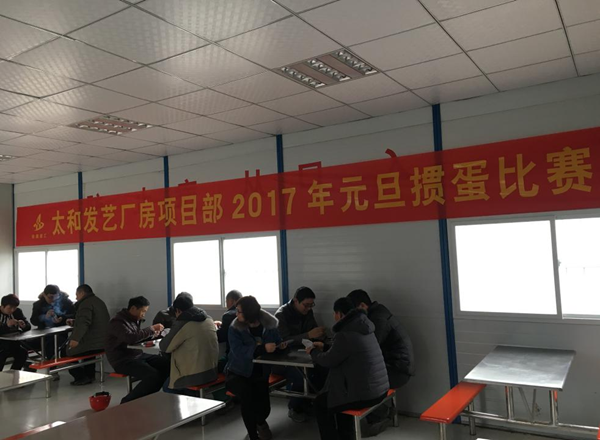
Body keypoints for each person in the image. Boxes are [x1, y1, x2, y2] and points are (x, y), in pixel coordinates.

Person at [308, 297, 390, 440]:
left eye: (334, 313)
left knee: (321, 403)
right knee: (339, 399)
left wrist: (313, 352)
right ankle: (346, 436)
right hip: (379, 389)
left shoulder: (344, 334)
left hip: (366, 394)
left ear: (339, 314)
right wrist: (325, 347)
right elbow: (346, 351)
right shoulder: (364, 327)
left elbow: (328, 361)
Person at [225, 296, 286, 440]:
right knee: (247, 397)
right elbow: (238, 351)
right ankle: (253, 435)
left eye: (239, 311)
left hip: (261, 373)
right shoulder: (235, 328)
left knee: (264, 408)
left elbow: (277, 340)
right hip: (238, 372)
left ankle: (260, 422)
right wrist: (262, 349)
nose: (236, 314)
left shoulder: (269, 325)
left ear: (249, 313)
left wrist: (280, 346)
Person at [275, 286, 326, 422]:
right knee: (300, 375)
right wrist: (308, 335)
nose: (308, 308)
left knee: (323, 367)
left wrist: (319, 336)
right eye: (306, 305)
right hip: (283, 358)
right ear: (296, 301)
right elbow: (283, 341)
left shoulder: (308, 312)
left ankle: (308, 403)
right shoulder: (281, 315)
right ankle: (294, 407)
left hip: (303, 354)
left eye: (311, 305)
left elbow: (313, 330)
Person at [105, 296, 169, 404]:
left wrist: (153, 335)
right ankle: (128, 402)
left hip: (137, 355)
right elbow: (130, 338)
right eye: (143, 311)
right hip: (122, 360)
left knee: (167, 364)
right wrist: (151, 329)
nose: (144, 314)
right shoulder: (117, 322)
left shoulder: (133, 320)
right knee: (153, 376)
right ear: (133, 308)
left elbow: (137, 337)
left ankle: (149, 396)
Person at [346, 289, 414, 389]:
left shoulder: (378, 319)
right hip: (396, 366)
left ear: (362, 306)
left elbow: (369, 348)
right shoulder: (376, 314)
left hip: (396, 371)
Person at [160, 292, 219, 395]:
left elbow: (164, 347)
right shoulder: (208, 319)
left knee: (167, 387)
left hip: (193, 376)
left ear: (178, 310)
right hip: (212, 371)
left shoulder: (182, 323)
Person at [65, 284, 110, 386]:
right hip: (102, 341)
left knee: (67, 352)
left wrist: (75, 339)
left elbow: (83, 323)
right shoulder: (98, 301)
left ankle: (81, 377)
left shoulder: (85, 304)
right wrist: (75, 322)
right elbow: (94, 321)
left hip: (93, 342)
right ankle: (90, 375)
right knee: (88, 352)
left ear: (82, 293)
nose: (76, 298)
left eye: (77, 295)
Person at [31, 285, 75, 360]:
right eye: (50, 297)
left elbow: (74, 315)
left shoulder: (66, 302)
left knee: (57, 345)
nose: (53, 300)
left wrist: (62, 318)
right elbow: (33, 321)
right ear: (44, 295)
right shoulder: (38, 305)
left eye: (56, 297)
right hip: (44, 335)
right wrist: (45, 317)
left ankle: (58, 365)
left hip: (61, 334)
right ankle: (51, 364)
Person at [0, 294, 31, 371]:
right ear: (2, 306)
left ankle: (14, 373)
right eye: (10, 308)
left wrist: (23, 326)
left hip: (14, 343)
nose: (12, 310)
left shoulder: (17, 312)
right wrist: (7, 325)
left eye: (14, 308)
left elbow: (28, 326)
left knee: (23, 353)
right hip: (1, 344)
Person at [216, 289, 242, 368]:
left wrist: (214, 328)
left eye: (226, 301)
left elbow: (221, 337)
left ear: (232, 301)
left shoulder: (228, 315)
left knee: (213, 366)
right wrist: (222, 325)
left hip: (232, 357)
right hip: (247, 355)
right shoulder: (246, 313)